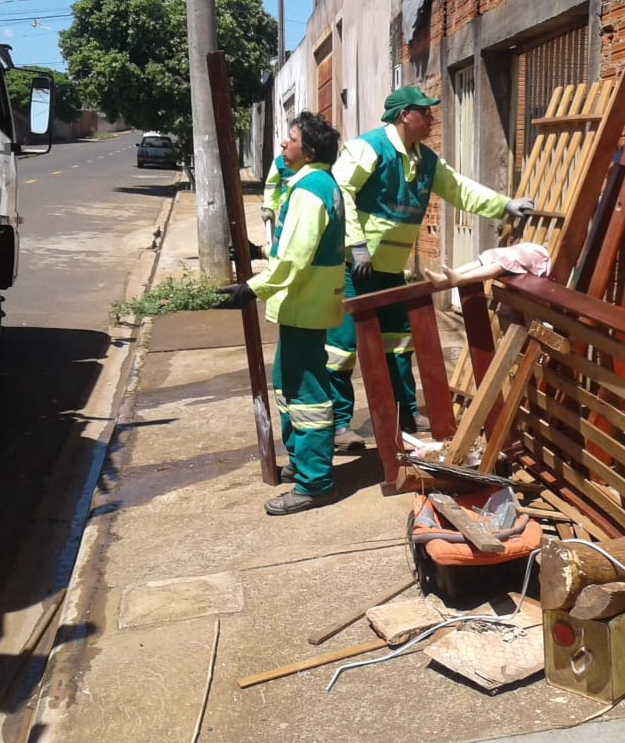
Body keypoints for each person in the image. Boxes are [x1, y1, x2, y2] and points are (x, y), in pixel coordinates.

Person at [327, 86, 535, 440]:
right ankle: (339, 424)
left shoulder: (425, 159)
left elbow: (459, 189)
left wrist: (504, 205)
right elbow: (339, 190)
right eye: (425, 112)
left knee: (398, 344)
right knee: (341, 349)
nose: (431, 119)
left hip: (390, 270)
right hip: (353, 267)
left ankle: (405, 415)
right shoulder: (368, 148)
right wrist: (355, 243)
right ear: (404, 115)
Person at [215, 112, 346, 516]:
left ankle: (314, 483)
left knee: (307, 396)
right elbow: (291, 247)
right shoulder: (317, 184)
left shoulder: (310, 189)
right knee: (287, 385)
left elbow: (295, 258)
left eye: (291, 139)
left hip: (304, 306)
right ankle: (301, 463)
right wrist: (258, 254)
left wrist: (252, 288)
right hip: (306, 305)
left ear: (309, 150)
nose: (284, 145)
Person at [420, 241, 551, 289]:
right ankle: (443, 279)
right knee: (490, 256)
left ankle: (461, 278)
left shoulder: (540, 256)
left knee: (504, 262)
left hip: (532, 260)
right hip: (525, 253)